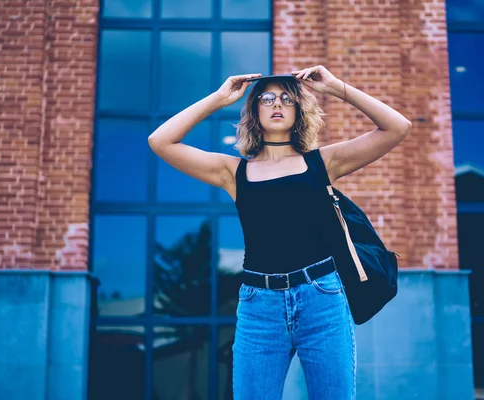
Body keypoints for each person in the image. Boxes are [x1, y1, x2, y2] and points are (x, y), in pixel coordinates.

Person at [148, 65, 412, 400]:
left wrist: (334, 87)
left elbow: (397, 127)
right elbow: (160, 141)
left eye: (287, 99)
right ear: (255, 111)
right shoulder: (234, 172)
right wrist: (219, 98)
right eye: (268, 99)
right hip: (259, 305)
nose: (277, 104)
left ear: (299, 109)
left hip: (323, 297)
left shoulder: (321, 163)